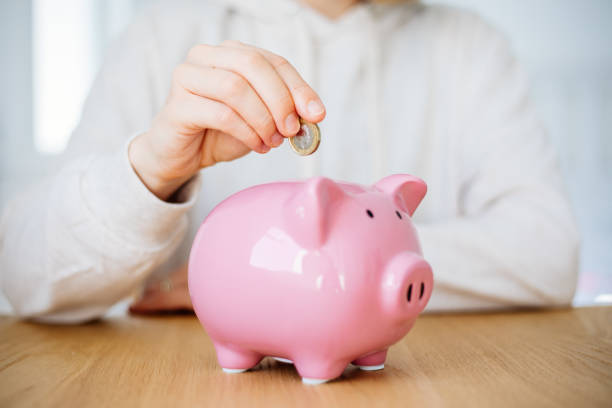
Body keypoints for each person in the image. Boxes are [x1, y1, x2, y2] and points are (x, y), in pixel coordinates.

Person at [0, 0, 579, 323]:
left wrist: (278, 278)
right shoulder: (163, 36)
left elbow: (548, 253)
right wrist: (152, 170)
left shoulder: (470, 46)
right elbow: (24, 273)